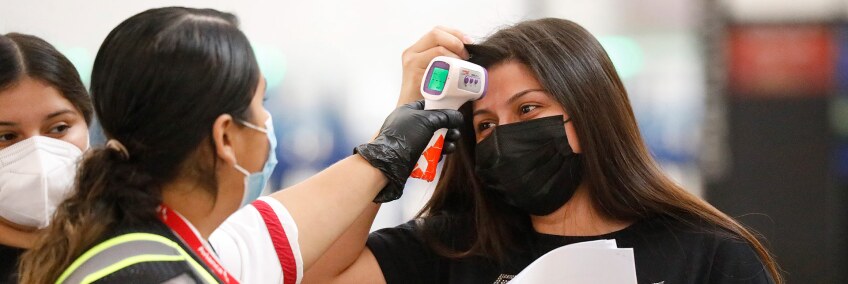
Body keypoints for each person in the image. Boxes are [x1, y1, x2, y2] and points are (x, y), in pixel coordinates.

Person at [302, 18, 782, 283]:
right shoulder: (451, 249)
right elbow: (315, 274)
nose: (504, 134)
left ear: (591, 115)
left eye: (528, 109)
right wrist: (391, 145)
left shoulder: (709, 257)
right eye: (485, 124)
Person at [17, 7, 462, 283]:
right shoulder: (161, 272)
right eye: (259, 104)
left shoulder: (141, 242)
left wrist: (390, 144)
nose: (267, 122)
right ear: (226, 137)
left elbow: (281, 232)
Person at [0, 32, 93, 283]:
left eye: (59, 128)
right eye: (6, 137)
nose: (38, 154)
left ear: (86, 123)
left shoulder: (126, 239)